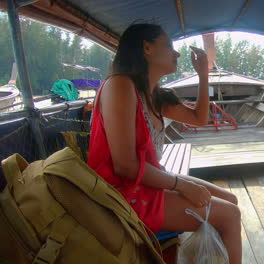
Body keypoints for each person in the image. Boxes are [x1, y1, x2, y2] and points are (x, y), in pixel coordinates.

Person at [87, 24, 242, 263]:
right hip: (120, 195)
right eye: (169, 46)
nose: (176, 53)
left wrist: (203, 74)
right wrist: (180, 184)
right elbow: (125, 166)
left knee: (231, 201)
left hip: (147, 181)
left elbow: (199, 119)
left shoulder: (156, 96)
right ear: (146, 48)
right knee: (230, 216)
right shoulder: (120, 85)